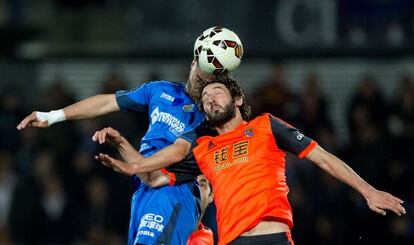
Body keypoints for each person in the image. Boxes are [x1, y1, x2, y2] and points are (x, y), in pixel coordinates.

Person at [96, 76, 406, 245]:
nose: (210, 99)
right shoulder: (203, 148)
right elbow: (156, 177)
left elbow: (323, 158)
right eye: (205, 99)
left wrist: (368, 191)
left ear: (238, 100)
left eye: (216, 92)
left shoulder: (266, 126)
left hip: (273, 238)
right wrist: (124, 147)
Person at [16, 56, 221, 244]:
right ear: (194, 62)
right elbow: (106, 102)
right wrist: (53, 116)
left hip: (173, 191)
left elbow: (176, 156)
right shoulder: (160, 91)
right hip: (144, 188)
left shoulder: (210, 121)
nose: (203, 86)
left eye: (209, 82)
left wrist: (129, 155)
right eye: (201, 78)